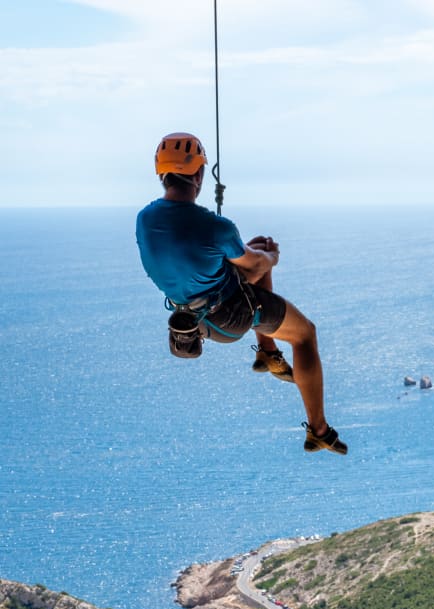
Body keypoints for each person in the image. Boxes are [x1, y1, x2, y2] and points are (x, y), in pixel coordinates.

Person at [136, 132, 347, 455]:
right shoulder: (215, 227)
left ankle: (268, 352)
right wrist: (272, 256)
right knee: (305, 334)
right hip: (228, 318)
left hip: (189, 317)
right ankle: (319, 430)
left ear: (162, 174)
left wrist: (250, 254)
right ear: (199, 175)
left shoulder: (145, 219)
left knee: (253, 248)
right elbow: (257, 264)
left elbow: (189, 254)